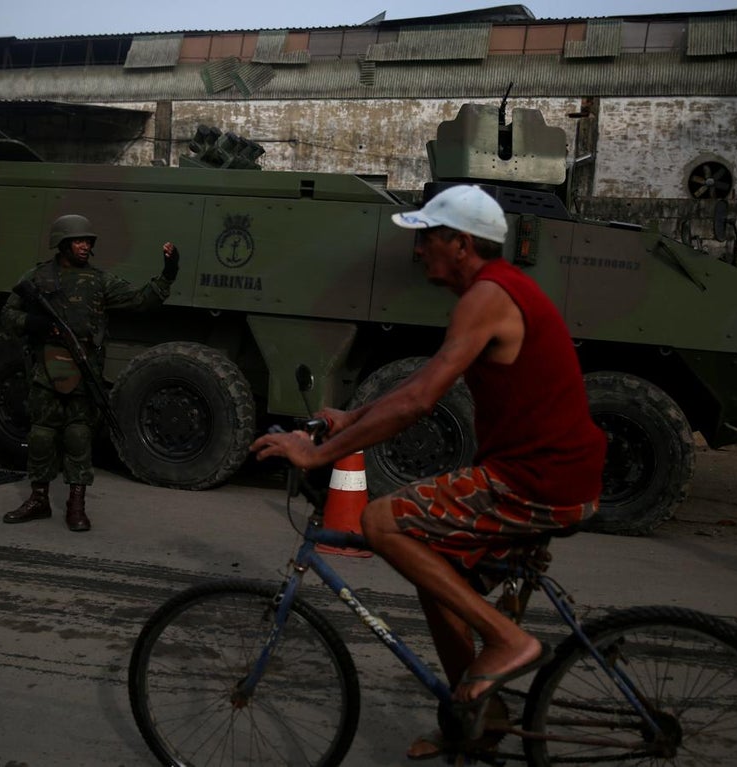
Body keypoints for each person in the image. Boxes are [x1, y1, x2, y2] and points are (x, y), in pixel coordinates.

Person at [250, 184, 607, 758]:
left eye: (425, 239)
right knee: (434, 578)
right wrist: (349, 421)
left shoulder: (487, 296)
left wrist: (315, 455)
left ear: (459, 243)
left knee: (383, 521)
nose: (418, 252)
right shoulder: (498, 292)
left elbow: (418, 401)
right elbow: (421, 388)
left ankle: (507, 641)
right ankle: (478, 722)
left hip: (536, 479)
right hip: (549, 472)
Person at [1, 213, 180, 532]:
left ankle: (76, 505)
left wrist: (169, 272)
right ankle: (38, 499)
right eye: (79, 241)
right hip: (46, 368)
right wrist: (35, 324)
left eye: (88, 242)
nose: (85, 246)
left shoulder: (99, 281)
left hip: (85, 369)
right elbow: (9, 313)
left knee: (78, 435)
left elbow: (141, 300)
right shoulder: (39, 278)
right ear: (62, 244)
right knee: (42, 435)